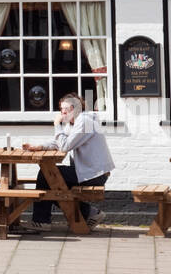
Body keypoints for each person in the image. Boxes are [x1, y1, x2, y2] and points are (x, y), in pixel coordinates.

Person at [20, 93, 114, 230]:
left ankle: (41, 221)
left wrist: (57, 124)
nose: (62, 112)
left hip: (95, 175)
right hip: (88, 172)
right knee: (54, 181)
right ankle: (91, 213)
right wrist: (39, 146)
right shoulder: (74, 123)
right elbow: (60, 141)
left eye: (66, 109)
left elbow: (64, 145)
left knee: (48, 176)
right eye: (61, 109)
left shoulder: (85, 122)